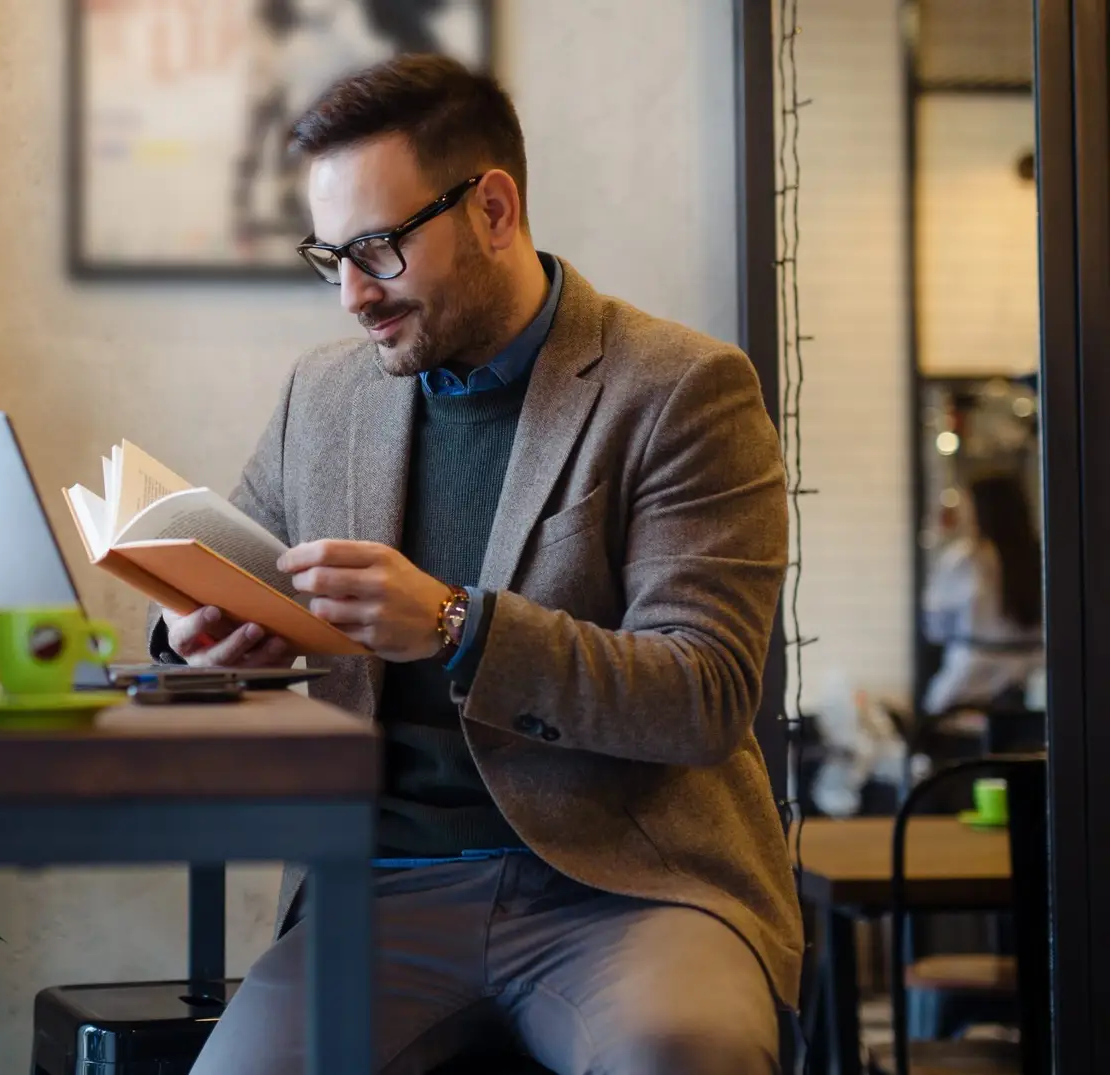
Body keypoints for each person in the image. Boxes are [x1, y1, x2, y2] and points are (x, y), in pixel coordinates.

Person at [148, 55, 797, 1074]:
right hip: (380, 885)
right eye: (332, 258)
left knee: (685, 1053)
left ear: (493, 208)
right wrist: (195, 637)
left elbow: (704, 694)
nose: (354, 296)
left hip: (626, 885)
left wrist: (460, 625)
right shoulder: (323, 399)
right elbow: (243, 564)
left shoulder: (681, 389)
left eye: (378, 249)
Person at [921, 471, 1044, 717]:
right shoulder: (1040, 556)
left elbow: (935, 628)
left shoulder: (965, 558)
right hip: (1035, 688)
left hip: (969, 689)